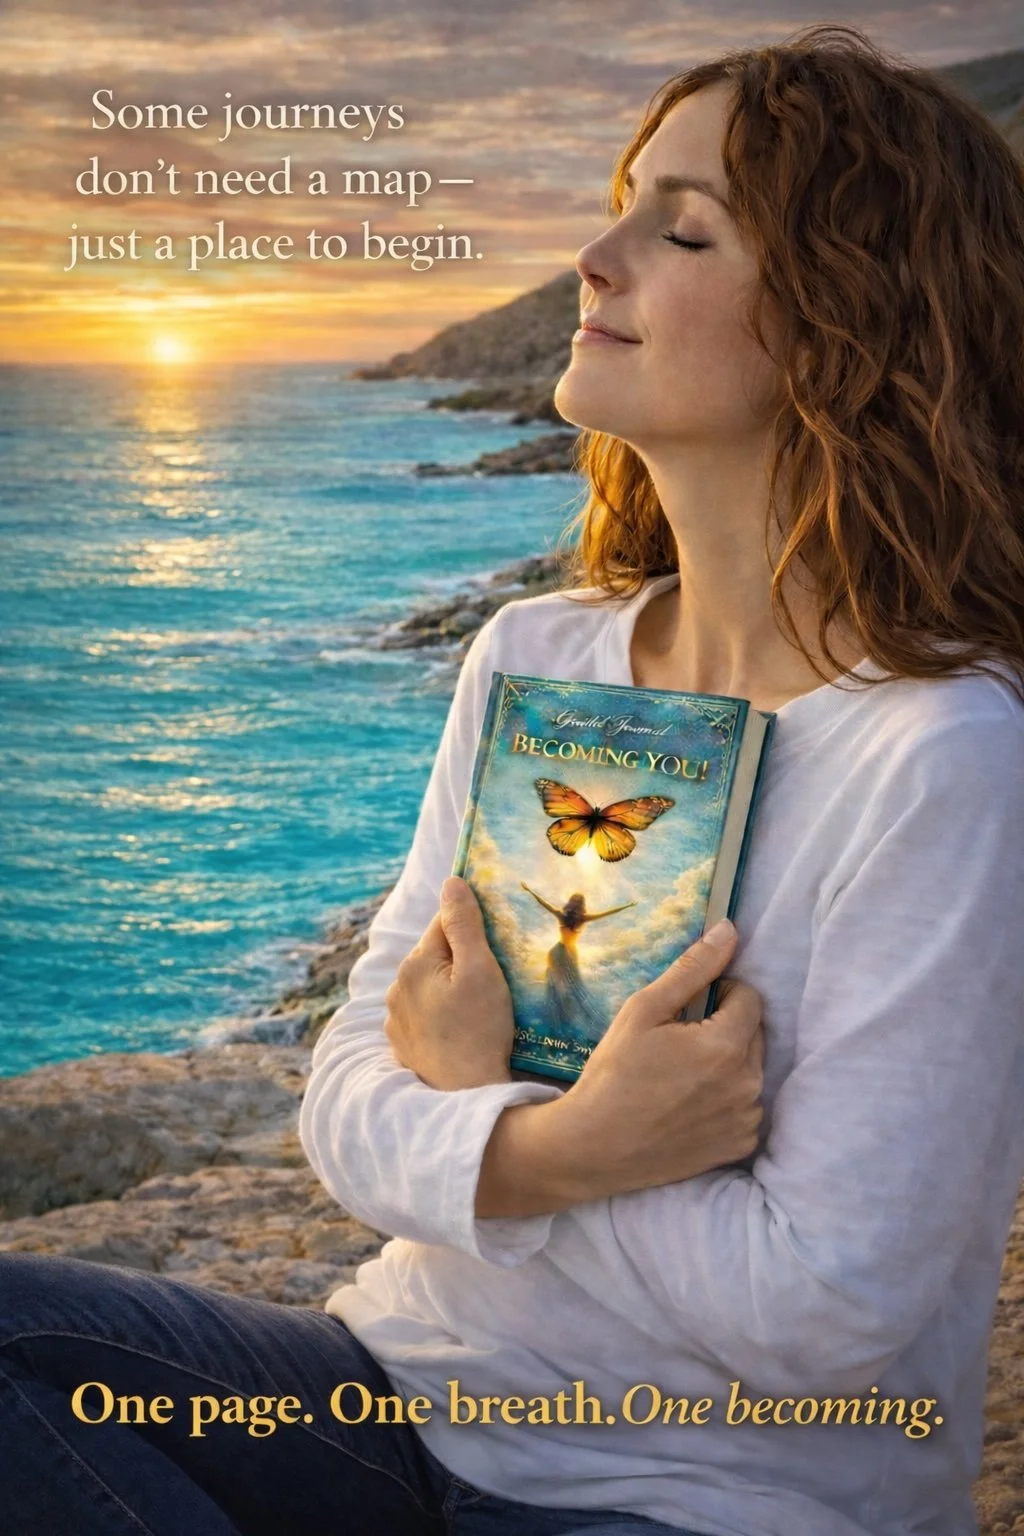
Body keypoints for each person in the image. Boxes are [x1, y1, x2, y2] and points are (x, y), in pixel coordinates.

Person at [2, 20, 1023, 1536]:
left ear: (851, 321)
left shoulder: (941, 751)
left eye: (682, 228)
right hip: (396, 1402)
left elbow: (831, 1312)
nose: (595, 259)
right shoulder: (539, 654)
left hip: (706, 1499)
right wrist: (561, 1143)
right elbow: (346, 1104)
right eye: (622, 203)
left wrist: (482, 1123)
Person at [519, 882, 638, 1042]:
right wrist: (627, 906)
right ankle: (561, 1024)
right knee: (568, 988)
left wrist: (529, 890)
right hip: (563, 953)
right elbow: (607, 913)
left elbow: (543, 903)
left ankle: (561, 1023)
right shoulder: (581, 918)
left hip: (560, 953)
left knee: (562, 987)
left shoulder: (565, 916)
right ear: (581, 905)